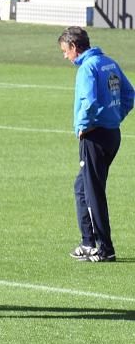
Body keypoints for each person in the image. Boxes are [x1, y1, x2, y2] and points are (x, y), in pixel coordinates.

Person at [58, 27, 133, 263]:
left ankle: (105, 248)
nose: (65, 56)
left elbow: (88, 102)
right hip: (111, 134)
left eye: (65, 51)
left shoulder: (87, 68)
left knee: (92, 192)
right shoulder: (109, 62)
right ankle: (88, 242)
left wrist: (83, 126)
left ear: (74, 47)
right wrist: (115, 116)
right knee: (82, 187)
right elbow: (129, 95)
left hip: (94, 136)